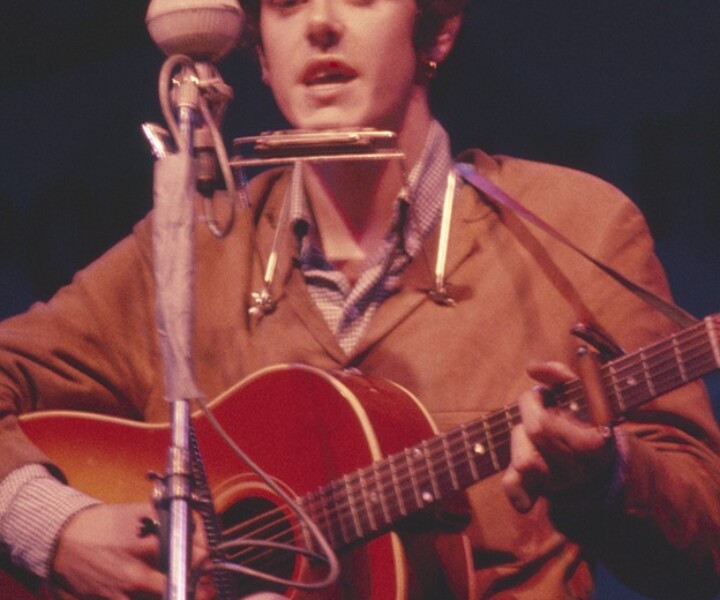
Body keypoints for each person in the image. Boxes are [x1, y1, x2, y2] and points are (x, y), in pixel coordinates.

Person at [1, 0, 719, 598]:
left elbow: (704, 549)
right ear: (258, 51)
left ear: (436, 30)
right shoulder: (184, 253)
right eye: (285, 4)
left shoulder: (579, 228)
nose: (320, 24)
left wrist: (609, 476)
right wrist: (54, 527)